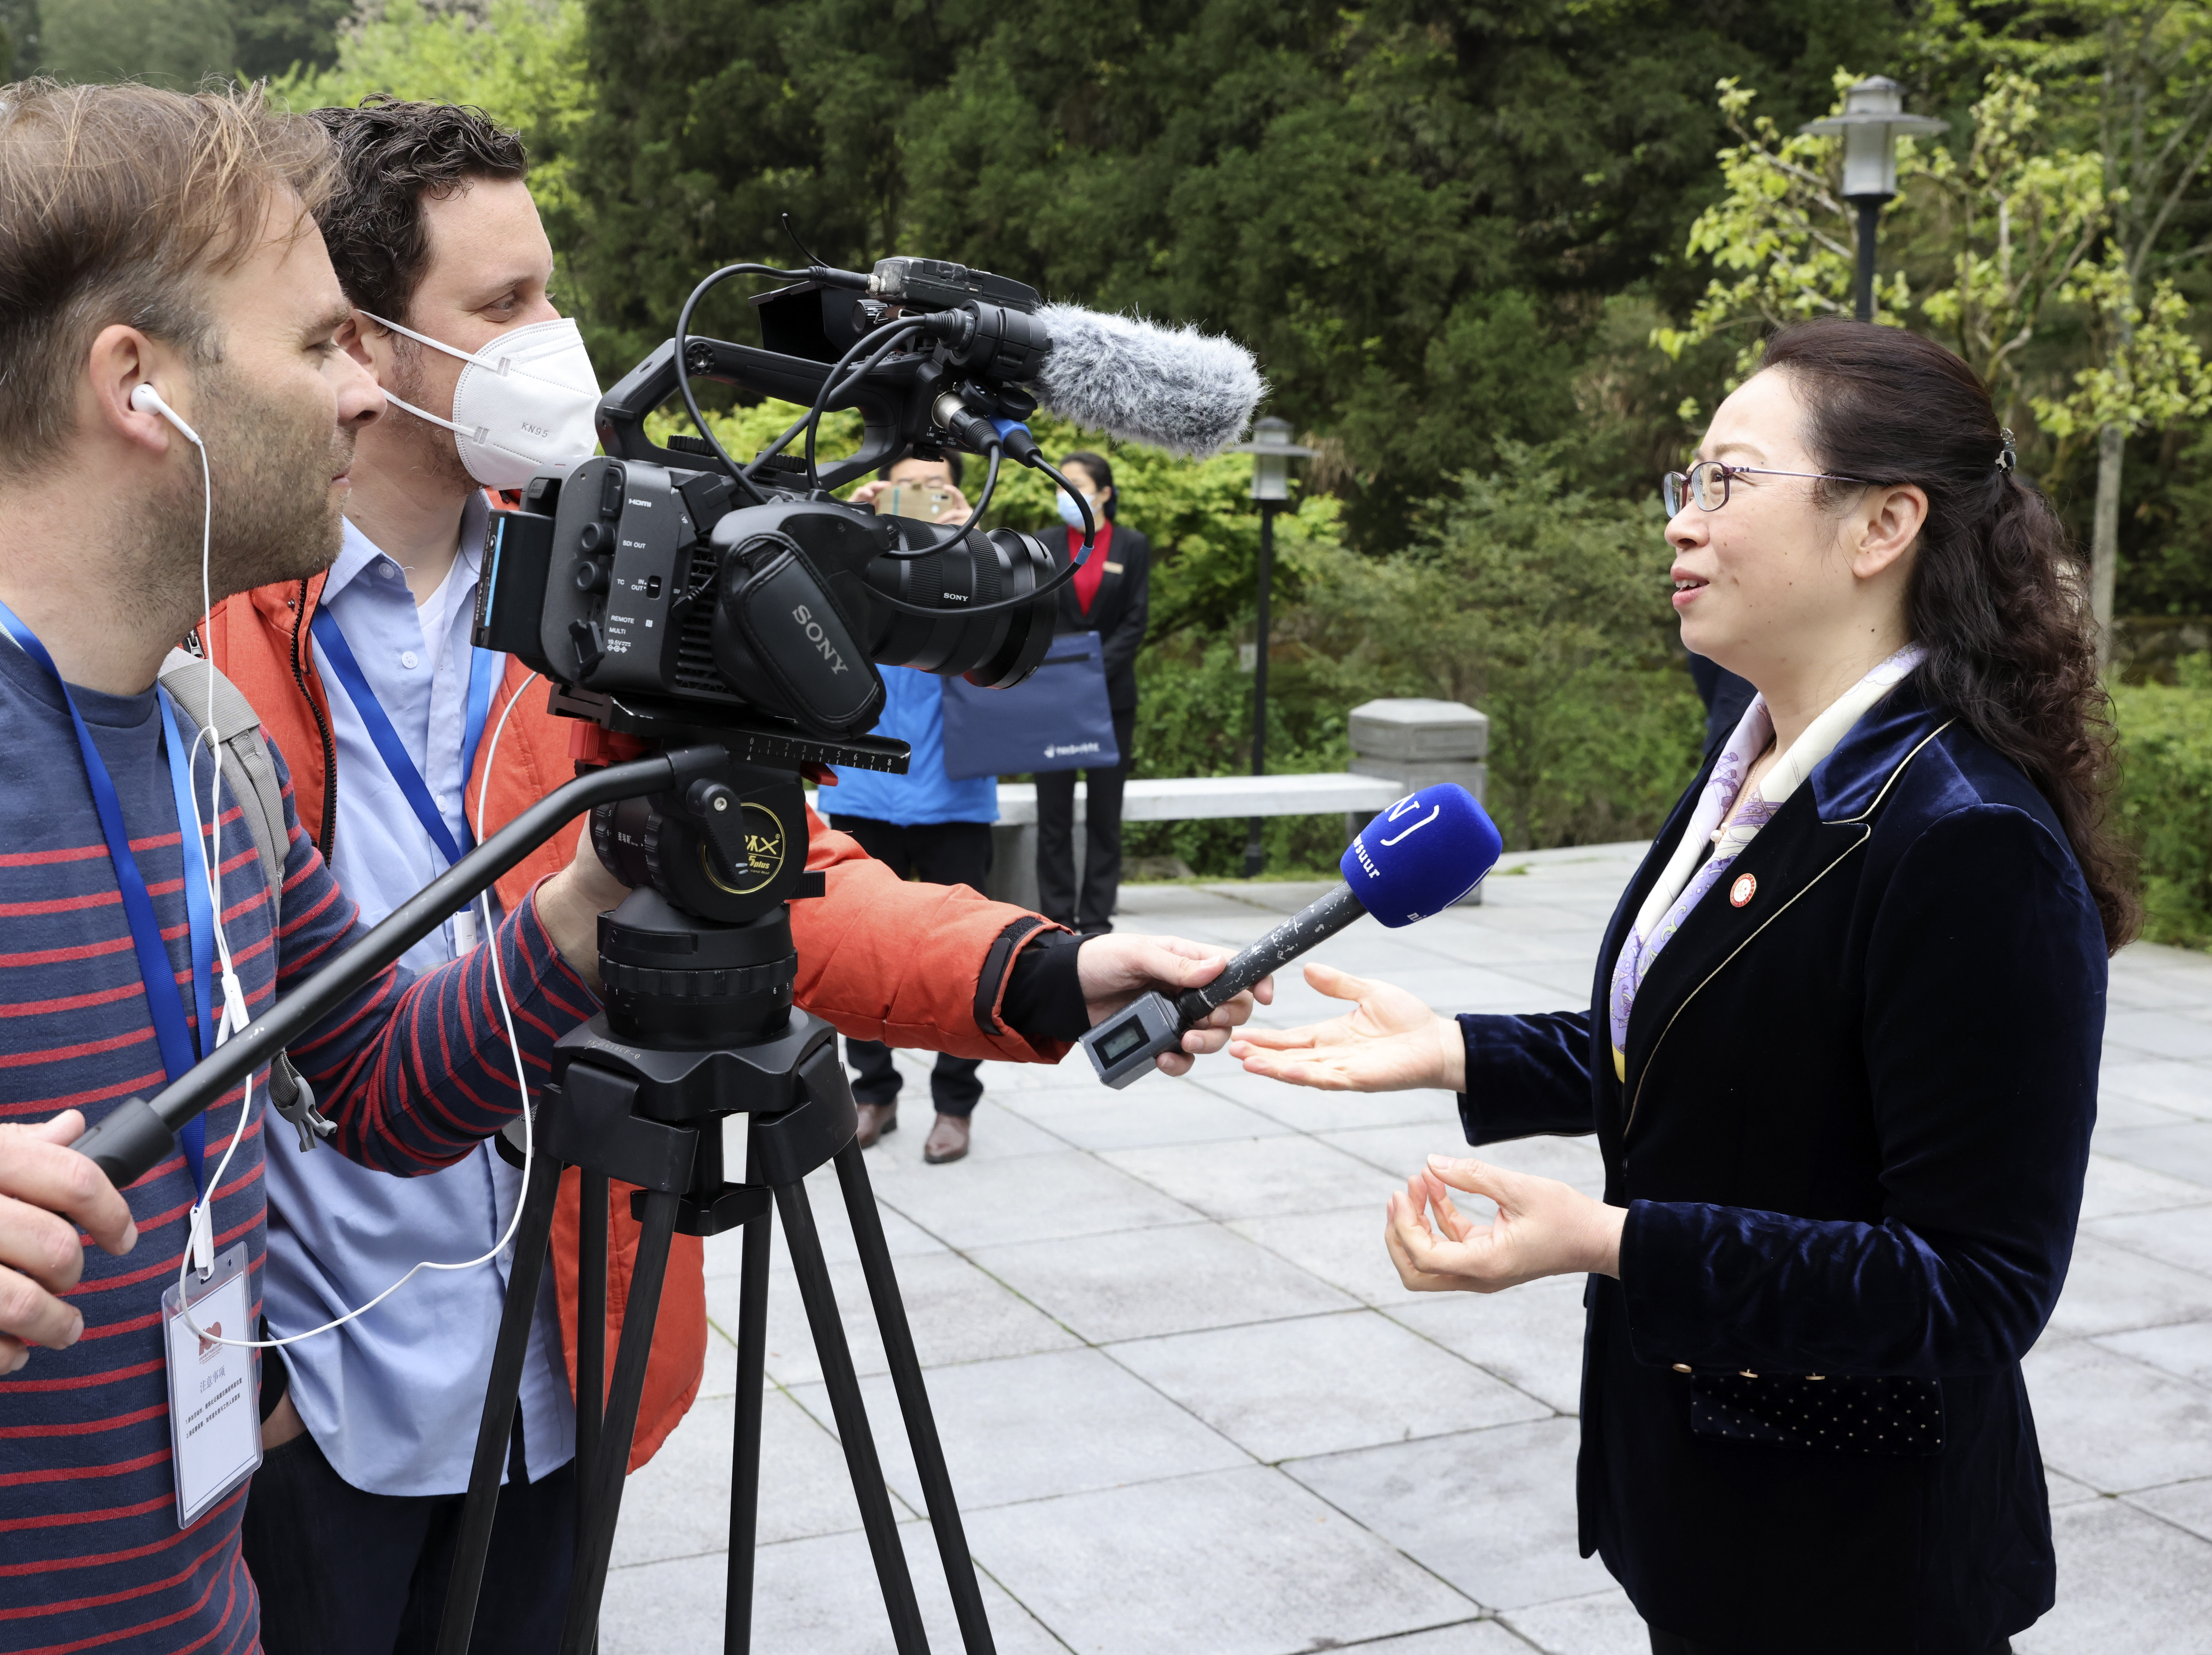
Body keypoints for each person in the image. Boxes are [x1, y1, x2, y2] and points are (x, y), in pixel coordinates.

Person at [203, 98, 1266, 1652]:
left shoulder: (616, 573)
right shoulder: (214, 606)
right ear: (359, 341)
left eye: (550, 290)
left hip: (559, 1345)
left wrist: (1043, 969)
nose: (556, 339)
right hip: (303, 1394)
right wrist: (234, 1354)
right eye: (502, 307)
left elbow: (785, 870)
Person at [0, 79, 647, 1653]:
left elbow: (382, 1080)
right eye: (324, 341)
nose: (362, 393)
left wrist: (596, 894)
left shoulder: (203, 742)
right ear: (142, 384)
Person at [1231, 320, 2130, 1655]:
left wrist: (1609, 1240)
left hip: (1856, 1554)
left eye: (1728, 482)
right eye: (1684, 483)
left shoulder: (1964, 840)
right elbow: (1724, 1041)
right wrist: (1460, 1052)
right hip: (1708, 1494)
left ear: (1883, 524)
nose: (1682, 522)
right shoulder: (1755, 745)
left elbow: (1975, 1285)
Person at [830, 455, 998, 1165]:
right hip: (864, 784)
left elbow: (1007, 649)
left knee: (968, 954)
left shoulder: (979, 555)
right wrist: (848, 523)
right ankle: (873, 1090)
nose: (917, 500)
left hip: (954, 788)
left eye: (932, 488)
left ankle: (955, 1102)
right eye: (904, 485)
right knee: (854, 952)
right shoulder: (855, 548)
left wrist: (973, 543)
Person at [1032, 450, 1149, 935]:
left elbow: (1135, 620)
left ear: (1104, 493)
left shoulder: (1131, 545)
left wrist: (1093, 671)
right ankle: (1057, 917)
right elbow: (1034, 615)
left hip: (1109, 698)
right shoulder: (1043, 543)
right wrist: (1064, 674)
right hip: (1054, 699)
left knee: (1105, 814)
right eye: (1061, 483)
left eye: (1076, 483)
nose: (1065, 492)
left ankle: (1098, 920)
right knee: (1053, 816)